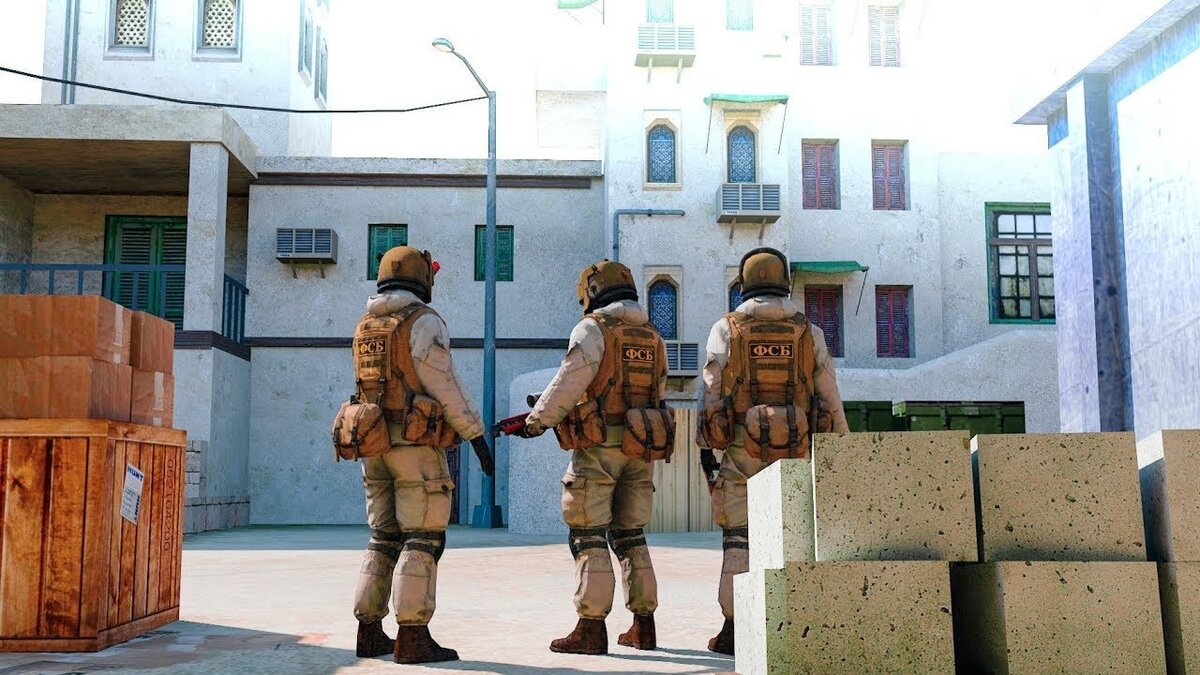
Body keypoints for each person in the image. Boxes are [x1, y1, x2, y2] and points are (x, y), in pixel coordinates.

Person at [696, 247, 849, 655]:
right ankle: (796, 626)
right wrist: (841, 447)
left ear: (744, 284)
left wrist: (707, 449)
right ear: (784, 282)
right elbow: (829, 393)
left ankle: (734, 629)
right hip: (796, 451)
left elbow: (710, 391)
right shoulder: (810, 332)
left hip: (741, 449)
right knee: (794, 538)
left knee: (738, 539)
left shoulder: (726, 328)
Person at [350, 246, 494, 664]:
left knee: (382, 538)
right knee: (423, 538)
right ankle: (412, 636)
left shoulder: (365, 325)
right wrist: (476, 436)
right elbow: (445, 384)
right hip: (415, 448)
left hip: (374, 447)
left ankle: (368, 631)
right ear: (421, 279)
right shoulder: (423, 321)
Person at [520, 260, 668, 655]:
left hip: (599, 447)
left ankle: (590, 627)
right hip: (641, 446)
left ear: (593, 291)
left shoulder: (593, 328)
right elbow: (659, 390)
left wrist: (536, 422)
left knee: (588, 536)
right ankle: (644, 626)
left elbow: (569, 381)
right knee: (631, 535)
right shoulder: (653, 336)